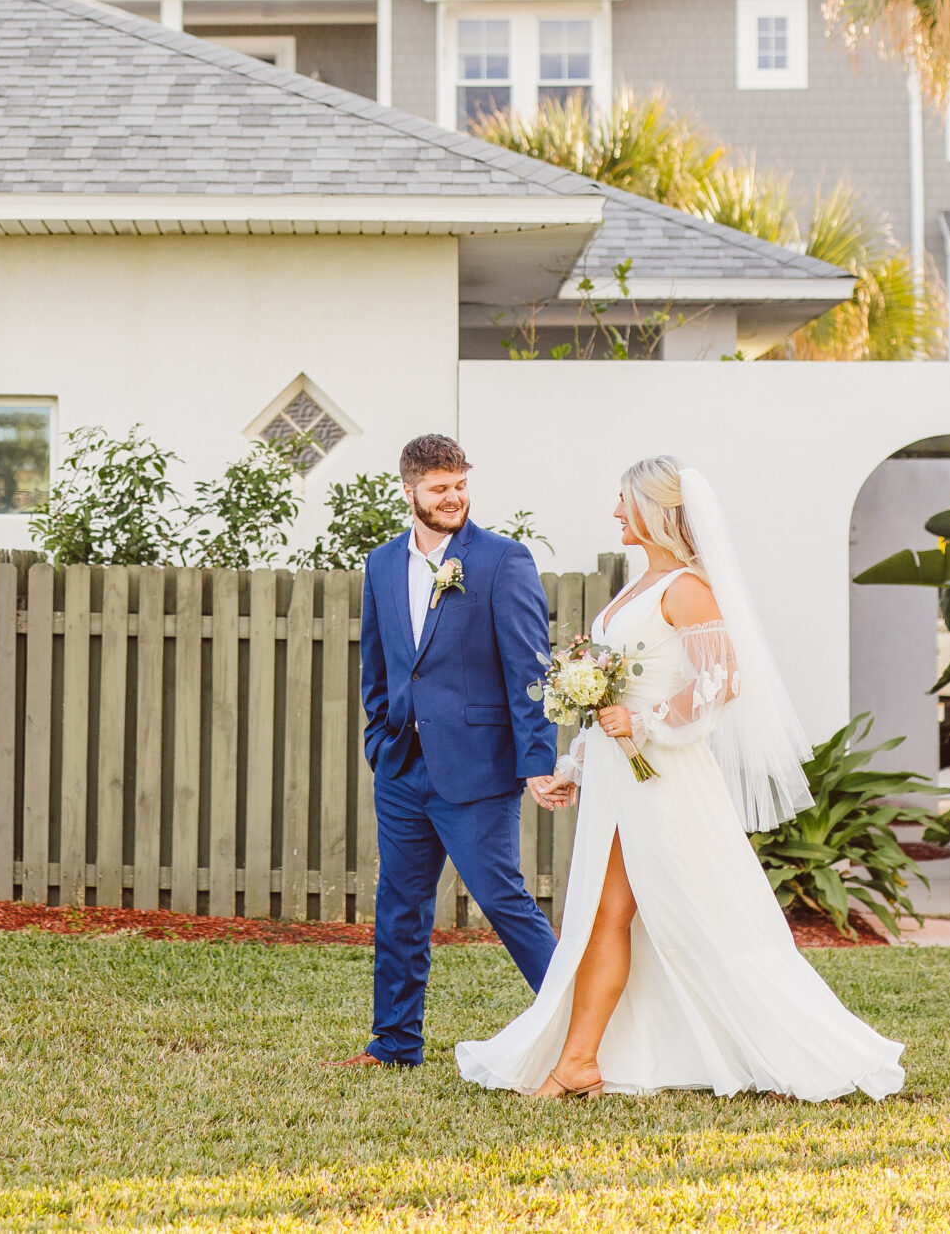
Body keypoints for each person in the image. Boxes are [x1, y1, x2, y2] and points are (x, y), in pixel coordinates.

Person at [455, 455, 906, 1101]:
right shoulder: (639, 586)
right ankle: (579, 1058)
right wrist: (575, 764)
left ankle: (796, 1045)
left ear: (653, 510)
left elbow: (722, 682)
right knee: (604, 913)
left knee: (702, 918)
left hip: (665, 780)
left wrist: (643, 724)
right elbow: (618, 691)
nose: (614, 512)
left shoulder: (688, 588)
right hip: (620, 777)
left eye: (623, 501)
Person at [336, 433, 559, 1071]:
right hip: (402, 767)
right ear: (409, 492)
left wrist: (536, 761)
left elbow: (530, 668)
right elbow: (377, 666)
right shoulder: (381, 564)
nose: (453, 497)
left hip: (479, 767)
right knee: (400, 907)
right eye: (439, 489)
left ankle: (576, 1032)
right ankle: (395, 1044)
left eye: (460, 484)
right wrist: (379, 740)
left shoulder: (500, 560)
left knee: (501, 899)